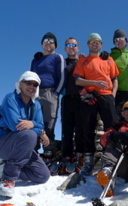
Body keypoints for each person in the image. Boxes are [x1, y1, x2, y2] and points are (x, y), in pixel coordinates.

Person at [0, 71, 51, 198]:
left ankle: (3, 168)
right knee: (29, 135)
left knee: (42, 176)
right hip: (3, 142)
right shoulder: (10, 98)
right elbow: (15, 126)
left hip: (23, 146)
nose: (32, 87)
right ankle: (8, 180)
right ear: (20, 84)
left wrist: (33, 125)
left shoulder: (37, 105)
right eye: (28, 83)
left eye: (35, 85)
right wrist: (38, 130)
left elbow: (40, 125)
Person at [73, 33, 119, 176]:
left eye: (97, 42)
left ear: (101, 44)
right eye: (92, 42)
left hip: (107, 96)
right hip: (90, 97)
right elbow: (78, 81)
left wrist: (113, 95)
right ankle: (88, 163)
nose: (94, 44)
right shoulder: (83, 61)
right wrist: (94, 83)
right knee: (88, 128)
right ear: (87, 45)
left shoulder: (108, 59)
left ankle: (110, 160)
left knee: (111, 128)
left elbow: (115, 79)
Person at [30, 32, 66, 159]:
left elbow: (62, 76)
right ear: (42, 43)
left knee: (49, 123)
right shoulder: (36, 60)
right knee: (33, 122)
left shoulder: (58, 57)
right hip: (36, 93)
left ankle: (48, 152)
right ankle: (32, 151)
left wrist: (56, 93)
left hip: (51, 93)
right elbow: (31, 76)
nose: (48, 42)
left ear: (55, 44)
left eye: (51, 41)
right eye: (46, 40)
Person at [53, 37, 84, 174]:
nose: (71, 47)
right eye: (68, 45)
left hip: (81, 99)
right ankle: (67, 157)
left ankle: (80, 156)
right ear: (65, 48)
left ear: (78, 48)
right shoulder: (62, 63)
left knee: (81, 129)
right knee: (67, 129)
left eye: (74, 45)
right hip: (67, 98)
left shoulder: (83, 61)